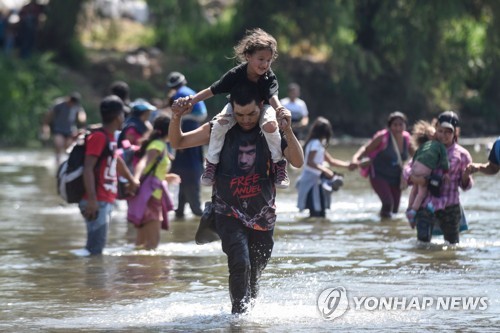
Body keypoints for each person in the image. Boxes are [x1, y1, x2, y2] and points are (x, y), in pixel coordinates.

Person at [169, 82, 304, 314]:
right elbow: (178, 142)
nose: (246, 119)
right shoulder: (219, 128)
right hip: (227, 211)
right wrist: (176, 116)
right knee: (240, 263)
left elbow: (298, 161)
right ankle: (238, 319)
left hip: (263, 215)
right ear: (232, 108)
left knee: (254, 273)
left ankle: (248, 316)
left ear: (261, 106)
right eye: (240, 114)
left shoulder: (270, 128)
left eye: (251, 113)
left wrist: (288, 130)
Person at [174, 28, 290, 189]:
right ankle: (211, 164)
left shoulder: (268, 77)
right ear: (248, 56)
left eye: (268, 60)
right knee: (219, 125)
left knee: (270, 125)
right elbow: (212, 90)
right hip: (235, 106)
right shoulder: (236, 74)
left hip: (262, 107)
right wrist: (190, 101)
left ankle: (279, 164)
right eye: (261, 59)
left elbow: (273, 97)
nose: (265, 64)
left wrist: (281, 111)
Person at [77, 95, 139, 256]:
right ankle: (94, 281)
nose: (124, 118)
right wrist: (92, 199)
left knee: (95, 249)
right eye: (123, 115)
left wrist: (131, 179)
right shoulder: (98, 137)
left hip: (103, 199)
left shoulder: (109, 136)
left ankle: (94, 280)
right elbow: (88, 168)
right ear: (118, 116)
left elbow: (116, 160)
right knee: (95, 251)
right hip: (97, 201)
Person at [406, 111, 474, 244]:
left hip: (450, 205)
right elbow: (408, 169)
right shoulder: (426, 148)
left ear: (455, 132)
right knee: (422, 244)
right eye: (441, 131)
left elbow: (465, 185)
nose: (444, 135)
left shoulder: (462, 155)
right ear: (436, 129)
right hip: (425, 204)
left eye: (448, 132)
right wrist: (416, 178)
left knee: (452, 245)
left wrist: (466, 176)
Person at [130, 116, 180, 250]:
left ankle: (135, 269)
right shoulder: (157, 145)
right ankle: (150, 270)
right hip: (151, 197)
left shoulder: (161, 145)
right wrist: (135, 178)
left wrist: (166, 177)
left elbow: (153, 170)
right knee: (152, 244)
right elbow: (144, 162)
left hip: (149, 194)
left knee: (141, 244)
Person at [351, 111, 414, 218]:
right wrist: (355, 159)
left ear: (405, 126)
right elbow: (366, 149)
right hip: (379, 175)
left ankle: (388, 228)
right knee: (388, 203)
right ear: (390, 126)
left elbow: (416, 156)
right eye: (395, 125)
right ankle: (382, 227)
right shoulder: (383, 137)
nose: (398, 128)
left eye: (401, 124)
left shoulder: (407, 139)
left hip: (396, 177)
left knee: (395, 209)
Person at [297, 117, 357, 217]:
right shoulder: (315, 143)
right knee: (315, 212)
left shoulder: (319, 144)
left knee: (321, 211)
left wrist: (348, 165)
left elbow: (331, 161)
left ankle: (321, 231)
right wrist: (325, 170)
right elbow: (309, 162)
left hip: (317, 180)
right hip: (310, 181)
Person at [166, 72, 207, 218]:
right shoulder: (191, 92)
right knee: (180, 209)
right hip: (192, 161)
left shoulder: (179, 96)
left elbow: (179, 142)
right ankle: (181, 209)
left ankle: (198, 212)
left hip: (187, 164)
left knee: (196, 208)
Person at [405, 120, 449, 226]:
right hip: (423, 170)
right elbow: (444, 161)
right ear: (431, 136)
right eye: (435, 133)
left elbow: (414, 157)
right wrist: (446, 172)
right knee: (422, 192)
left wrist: (412, 173)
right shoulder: (439, 146)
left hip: (415, 166)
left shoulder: (422, 147)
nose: (437, 134)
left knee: (414, 189)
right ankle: (413, 211)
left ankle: (409, 207)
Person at [41, 92, 87, 166]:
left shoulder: (76, 106)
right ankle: (57, 162)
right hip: (58, 129)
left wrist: (82, 120)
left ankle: (68, 163)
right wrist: (45, 126)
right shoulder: (59, 104)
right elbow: (49, 114)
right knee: (59, 144)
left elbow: (82, 115)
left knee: (70, 148)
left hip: (70, 130)